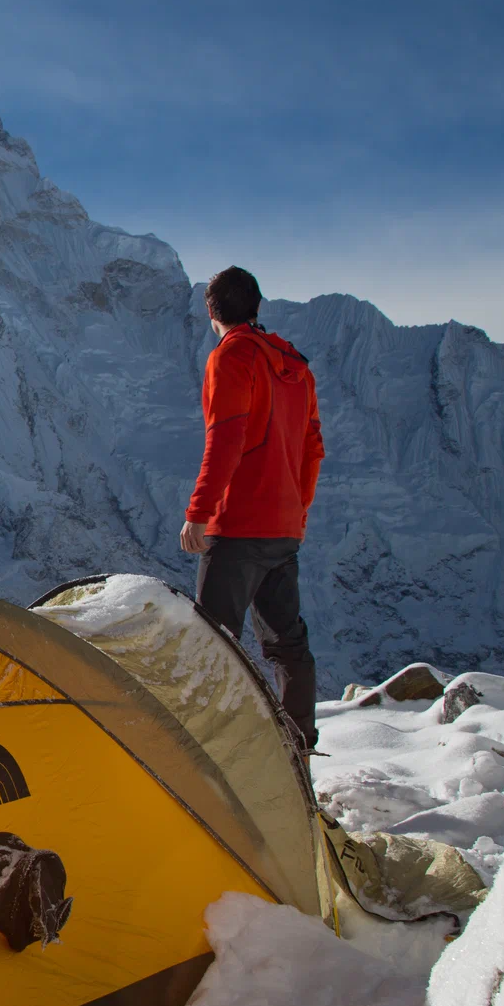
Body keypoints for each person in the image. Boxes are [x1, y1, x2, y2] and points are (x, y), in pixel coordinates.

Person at [179, 266, 325, 749]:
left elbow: (226, 439)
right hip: (283, 529)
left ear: (210, 312)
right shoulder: (295, 366)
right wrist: (296, 513)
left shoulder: (233, 356)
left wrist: (200, 512)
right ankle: (299, 745)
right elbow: (312, 449)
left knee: (213, 645)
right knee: (287, 644)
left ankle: (214, 751)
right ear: (258, 306)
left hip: (238, 527)